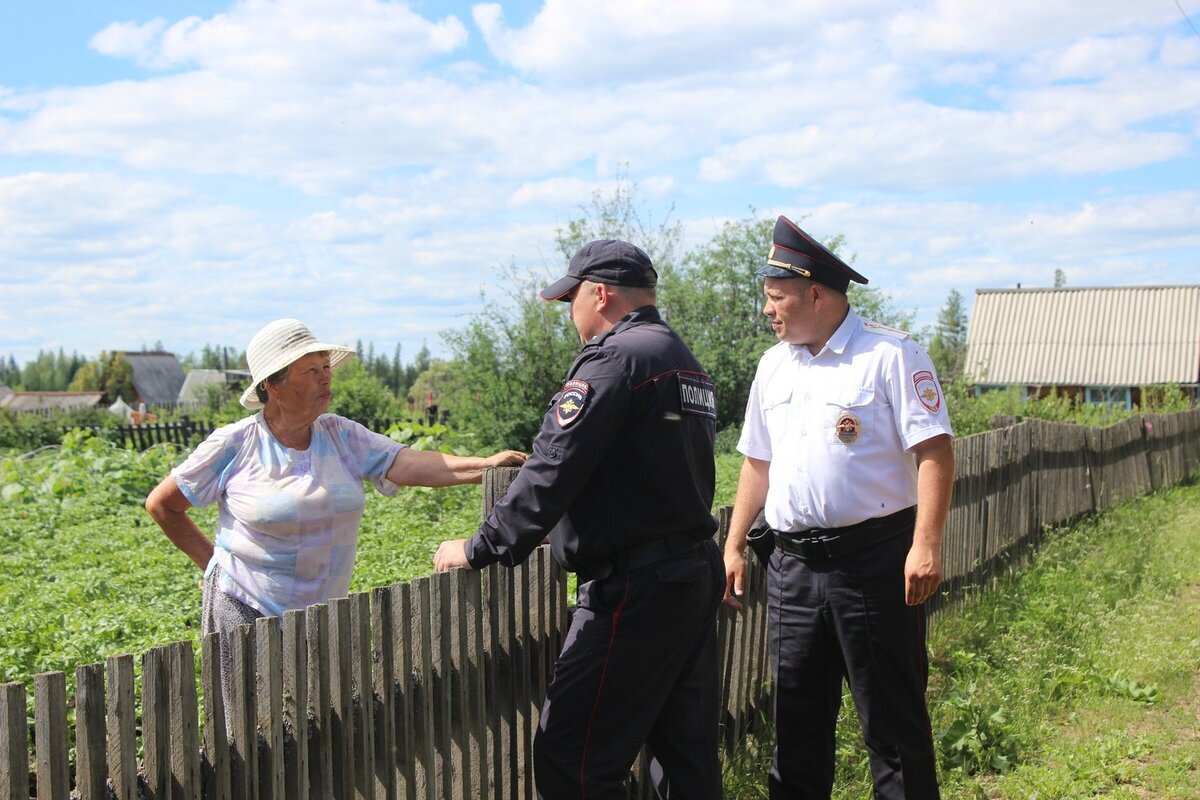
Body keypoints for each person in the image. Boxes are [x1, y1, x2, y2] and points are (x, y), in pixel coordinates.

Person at [434, 240, 724, 800]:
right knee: (684, 756)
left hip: (637, 586)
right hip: (689, 572)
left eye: (570, 299)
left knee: (574, 760)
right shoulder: (681, 358)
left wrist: (479, 547)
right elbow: (638, 470)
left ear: (599, 293)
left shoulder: (615, 359)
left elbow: (552, 466)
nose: (570, 313)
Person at [145, 318, 526, 699]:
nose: (325, 378)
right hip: (248, 612)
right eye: (310, 370)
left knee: (318, 729)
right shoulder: (236, 443)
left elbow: (409, 463)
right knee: (254, 739)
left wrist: (485, 466)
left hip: (324, 616)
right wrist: (213, 565)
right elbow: (163, 505)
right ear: (272, 385)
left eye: (326, 367)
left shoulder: (340, 435)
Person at [722, 216, 955, 800]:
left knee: (893, 728)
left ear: (816, 295)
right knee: (796, 730)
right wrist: (734, 541)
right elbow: (758, 462)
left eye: (777, 298)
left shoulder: (890, 355)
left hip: (873, 564)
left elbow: (934, 452)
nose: (768, 311)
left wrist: (925, 544)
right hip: (792, 569)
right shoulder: (773, 365)